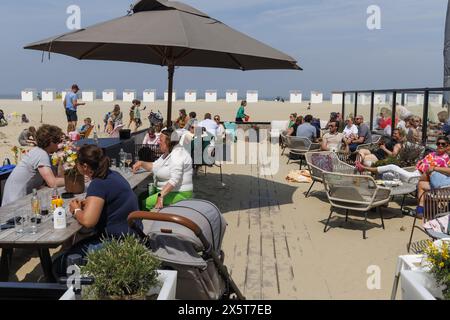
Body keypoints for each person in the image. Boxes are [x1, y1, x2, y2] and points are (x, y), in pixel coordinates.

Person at [54, 145, 143, 275]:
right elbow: (111, 200)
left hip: (118, 243)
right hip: (134, 236)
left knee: (60, 263)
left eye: (77, 164)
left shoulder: (98, 184)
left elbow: (88, 221)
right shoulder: (113, 175)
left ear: (85, 166)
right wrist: (87, 204)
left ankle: (68, 291)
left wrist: (76, 210)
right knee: (74, 246)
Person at [355, 136, 450, 216]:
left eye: (443, 144)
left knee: (392, 167)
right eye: (438, 144)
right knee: (386, 175)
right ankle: (381, 202)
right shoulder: (432, 154)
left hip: (416, 178)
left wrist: (434, 168)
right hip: (414, 173)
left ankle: (365, 168)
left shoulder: (447, 158)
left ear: (447, 146)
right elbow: (421, 164)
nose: (440, 146)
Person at [2, 125, 65, 207]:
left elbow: (57, 177)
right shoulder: (41, 154)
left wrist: (60, 159)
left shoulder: (39, 151)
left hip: (19, 199)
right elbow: (52, 183)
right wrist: (76, 180)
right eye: (58, 141)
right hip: (14, 204)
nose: (60, 144)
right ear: (51, 142)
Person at [132, 129, 193, 210]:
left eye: (160, 140)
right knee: (140, 197)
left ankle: (146, 221)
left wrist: (160, 196)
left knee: (145, 202)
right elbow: (154, 166)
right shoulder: (167, 153)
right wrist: (141, 163)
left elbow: (174, 180)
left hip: (179, 193)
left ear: (169, 142)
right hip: (165, 191)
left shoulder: (178, 155)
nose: (158, 142)